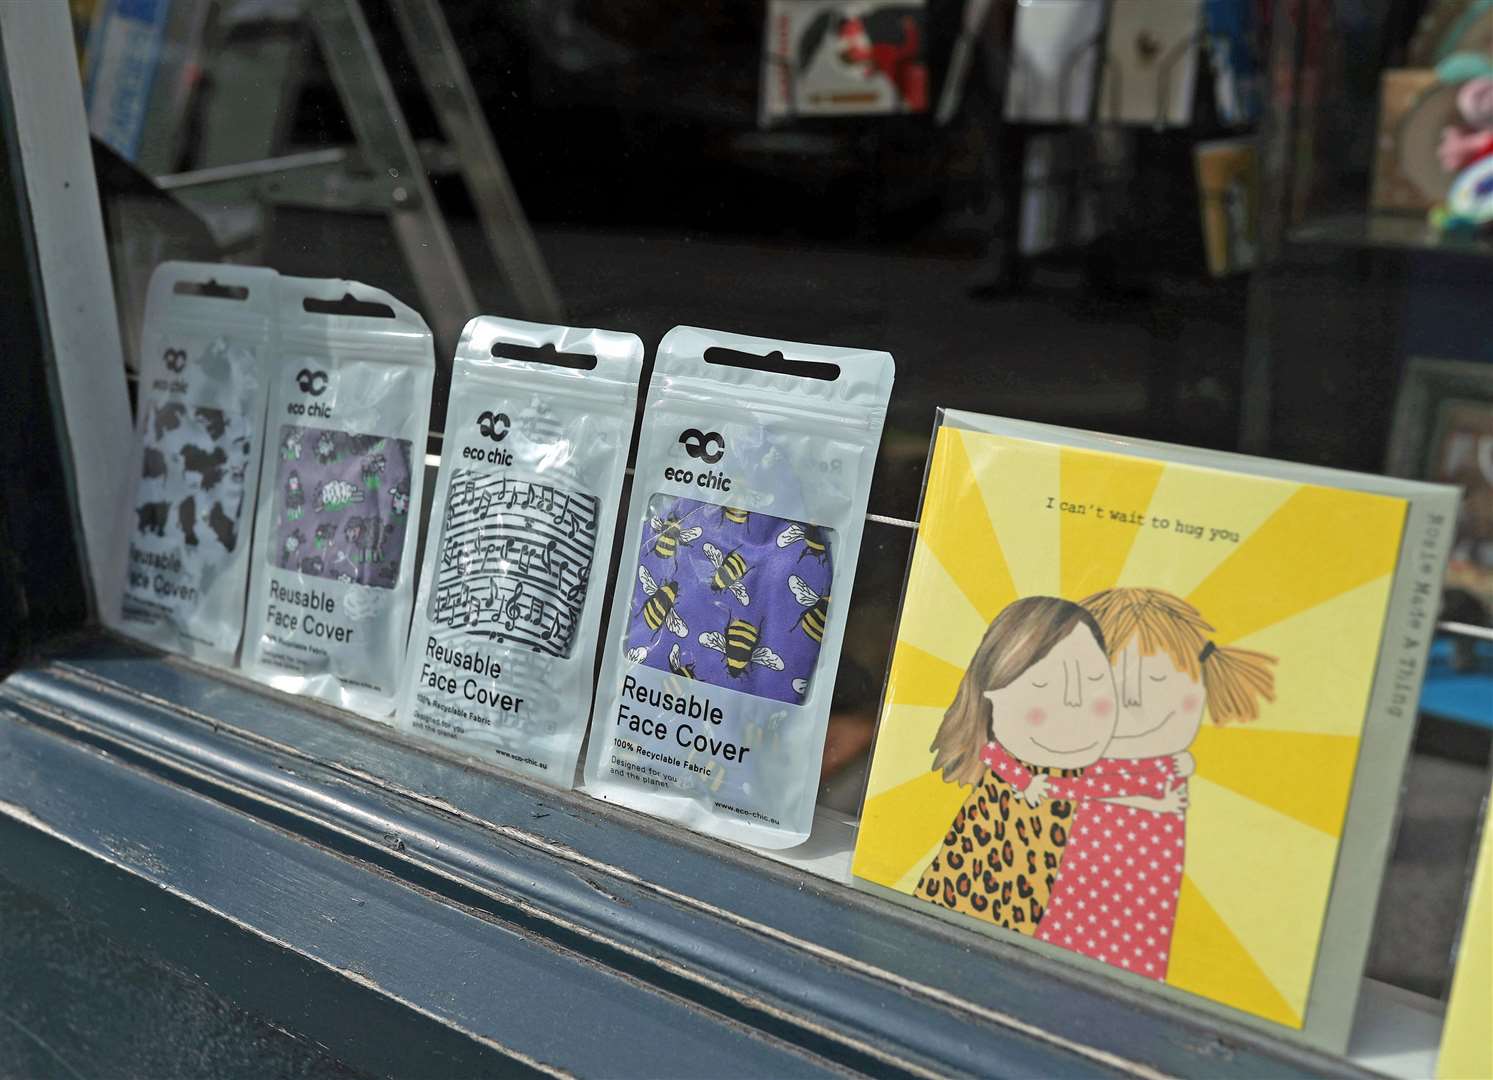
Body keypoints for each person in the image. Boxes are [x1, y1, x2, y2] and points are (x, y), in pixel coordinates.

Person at [1030, 587, 1277, 979]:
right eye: (1106, 679)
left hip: (1146, 876)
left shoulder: (1165, 765)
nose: (1132, 700)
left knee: (1136, 949)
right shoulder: (1086, 762)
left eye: (1160, 678)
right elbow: (1093, 792)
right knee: (1066, 943)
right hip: (1086, 874)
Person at [916, 596, 1118, 931]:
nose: (1074, 703)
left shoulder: (1097, 786)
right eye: (1043, 684)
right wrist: (1026, 783)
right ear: (991, 691)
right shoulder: (994, 811)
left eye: (1096, 679)